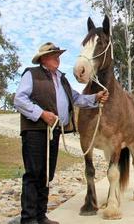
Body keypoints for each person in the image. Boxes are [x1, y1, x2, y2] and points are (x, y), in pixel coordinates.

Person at [14, 42, 108, 224]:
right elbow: (19, 99)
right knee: (34, 173)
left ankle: (41, 216)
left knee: (47, 174)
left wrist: (95, 98)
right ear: (43, 59)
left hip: (54, 132)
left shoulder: (62, 79)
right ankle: (28, 219)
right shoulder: (31, 74)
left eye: (58, 54)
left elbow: (77, 99)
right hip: (35, 132)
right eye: (53, 55)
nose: (58, 58)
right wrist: (41, 114)